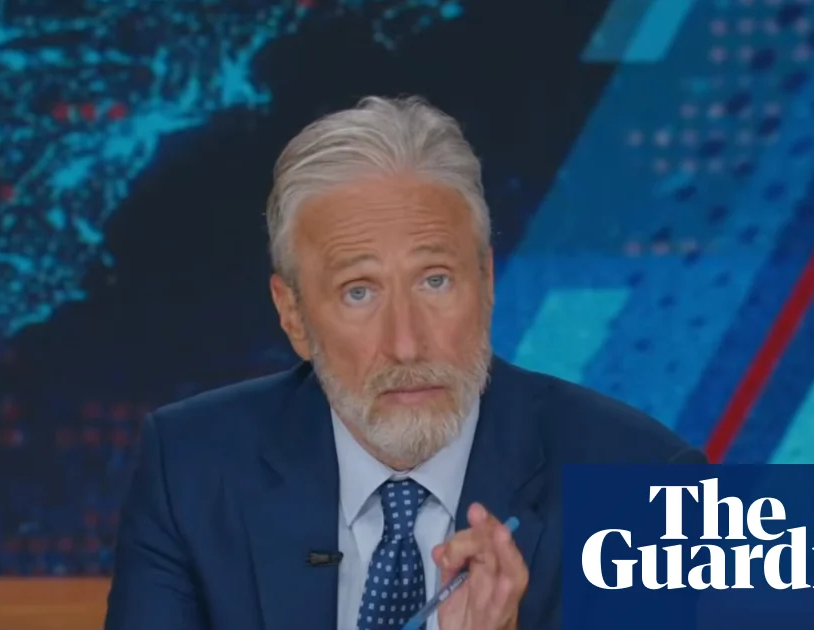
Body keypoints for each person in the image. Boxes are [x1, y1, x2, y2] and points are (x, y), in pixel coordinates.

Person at [104, 95, 707, 630]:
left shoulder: (648, 484)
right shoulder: (191, 469)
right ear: (293, 315)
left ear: (486, 282)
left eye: (435, 280)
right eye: (358, 292)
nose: (407, 345)